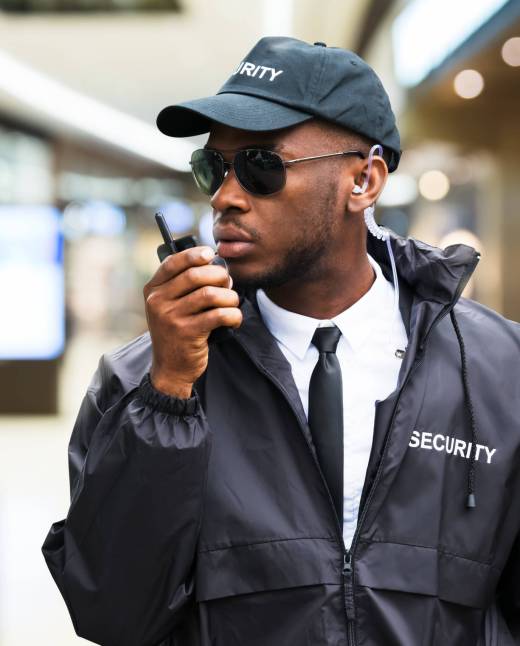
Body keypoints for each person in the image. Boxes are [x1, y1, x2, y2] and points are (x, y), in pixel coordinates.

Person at [42, 37, 520, 646]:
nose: (225, 195)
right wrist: (168, 397)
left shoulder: (499, 370)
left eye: (261, 165)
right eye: (213, 168)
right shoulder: (140, 380)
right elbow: (112, 613)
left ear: (364, 181)